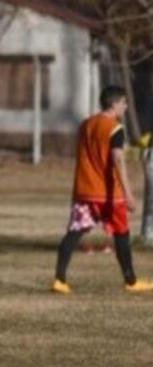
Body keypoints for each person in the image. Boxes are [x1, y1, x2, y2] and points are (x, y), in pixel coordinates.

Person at [52, 85, 153, 293]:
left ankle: (59, 280)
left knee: (73, 233)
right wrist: (128, 192)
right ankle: (131, 281)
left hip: (85, 190)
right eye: (124, 103)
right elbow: (117, 158)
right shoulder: (115, 128)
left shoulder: (86, 125)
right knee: (121, 234)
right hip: (108, 193)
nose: (125, 107)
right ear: (115, 103)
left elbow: (84, 156)